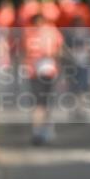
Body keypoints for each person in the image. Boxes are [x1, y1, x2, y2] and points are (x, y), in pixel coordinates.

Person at [19, 12, 64, 144]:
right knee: (42, 103)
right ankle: (40, 131)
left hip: (43, 71)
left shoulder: (35, 32)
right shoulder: (47, 31)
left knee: (43, 102)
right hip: (39, 71)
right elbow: (58, 50)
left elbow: (58, 50)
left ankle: (42, 130)